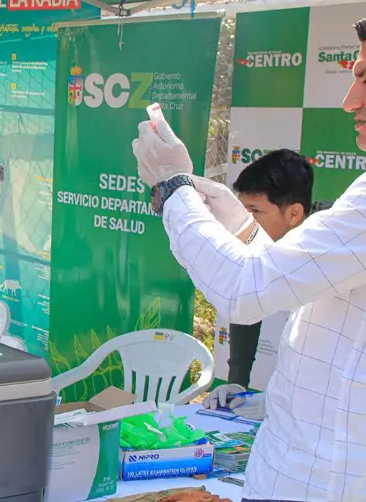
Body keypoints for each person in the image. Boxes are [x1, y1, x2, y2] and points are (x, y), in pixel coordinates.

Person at [131, 18, 365, 501]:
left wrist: (175, 188)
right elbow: (304, 276)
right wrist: (244, 228)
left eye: (365, 80)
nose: (350, 101)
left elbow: (243, 292)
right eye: (354, 76)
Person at [202, 149, 314, 418]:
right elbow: (247, 303)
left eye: (254, 212)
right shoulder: (257, 248)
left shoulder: (324, 255)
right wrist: (237, 382)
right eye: (241, 210)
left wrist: (284, 401)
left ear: (294, 214)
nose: (244, 222)